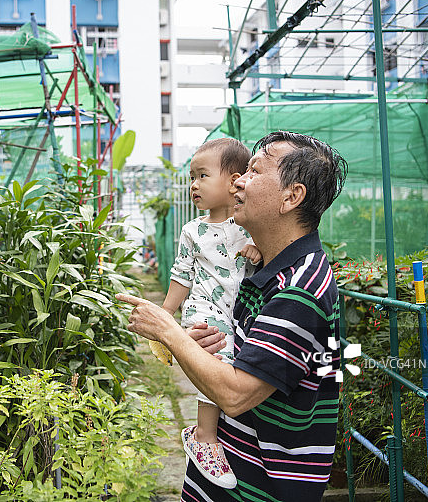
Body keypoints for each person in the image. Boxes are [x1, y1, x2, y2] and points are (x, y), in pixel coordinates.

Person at [118, 131, 347, 502]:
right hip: (226, 476)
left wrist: (168, 331)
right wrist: (198, 347)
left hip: (261, 489)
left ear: (292, 197)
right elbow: (238, 361)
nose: (240, 180)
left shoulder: (301, 289)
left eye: (255, 171)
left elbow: (236, 393)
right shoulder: (260, 266)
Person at [155, 137, 262, 488]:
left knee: (235, 369)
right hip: (204, 309)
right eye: (192, 177)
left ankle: (218, 434)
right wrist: (166, 315)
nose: (193, 185)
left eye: (202, 175)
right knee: (217, 360)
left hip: (236, 311)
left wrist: (256, 250)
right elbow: (181, 276)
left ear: (235, 181)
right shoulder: (193, 231)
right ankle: (204, 437)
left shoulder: (250, 226)